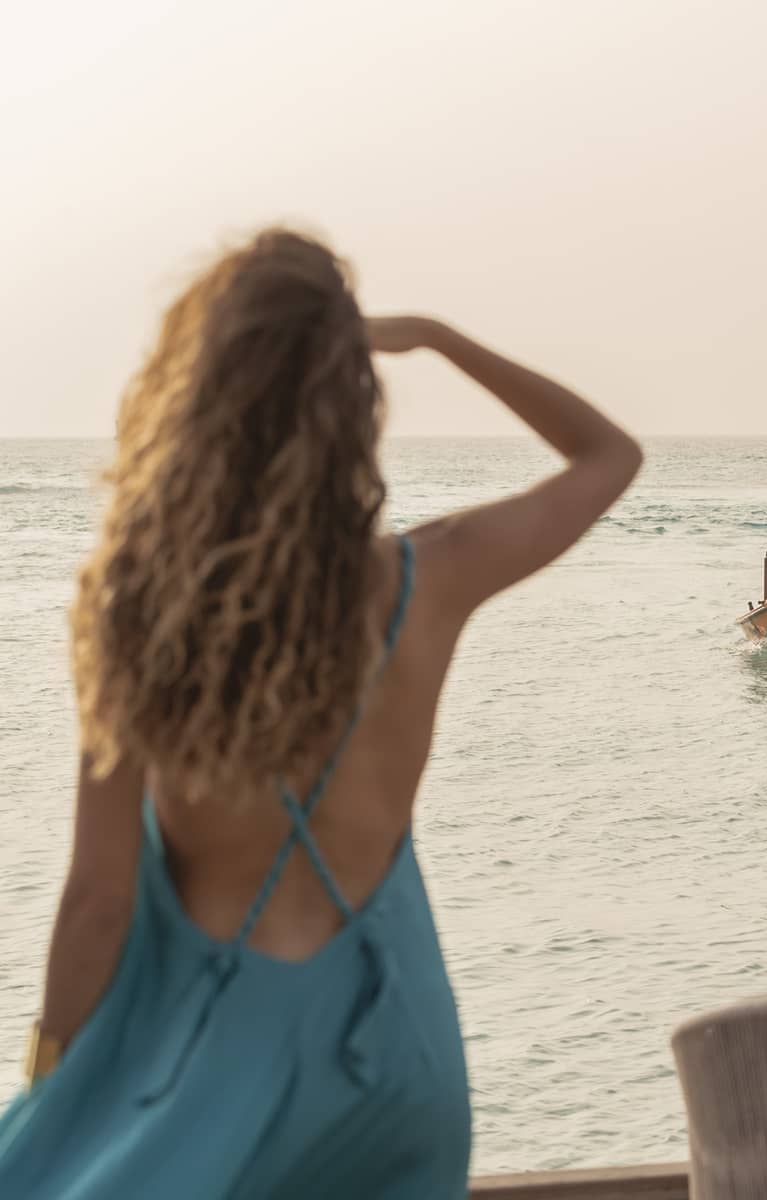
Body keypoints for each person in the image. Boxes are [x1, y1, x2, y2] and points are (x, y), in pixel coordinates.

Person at [0, 229, 642, 1199]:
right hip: (400, 1062)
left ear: (199, 396)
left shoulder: (136, 611)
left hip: (227, 1075)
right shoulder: (430, 579)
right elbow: (609, 456)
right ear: (351, 402)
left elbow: (99, 900)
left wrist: (54, 1077)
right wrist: (437, 338)